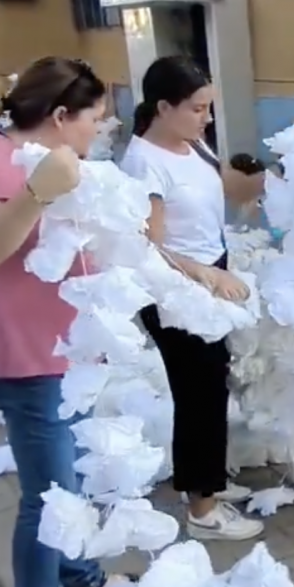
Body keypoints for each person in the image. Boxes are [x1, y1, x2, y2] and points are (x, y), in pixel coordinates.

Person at [0, 57, 133, 587]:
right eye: (93, 120)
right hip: (26, 362)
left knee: (67, 482)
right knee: (47, 498)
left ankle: (79, 577)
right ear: (58, 116)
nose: (97, 131)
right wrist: (36, 193)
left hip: (63, 357)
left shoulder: (56, 162)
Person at [120, 55, 266, 542]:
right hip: (176, 292)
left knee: (212, 386)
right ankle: (202, 512)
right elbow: (147, 246)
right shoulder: (143, 163)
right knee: (197, 393)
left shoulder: (194, 146)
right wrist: (203, 272)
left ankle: (209, 482)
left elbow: (225, 187)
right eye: (198, 109)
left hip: (209, 277)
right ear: (164, 107)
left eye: (209, 108)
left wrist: (264, 177)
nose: (207, 119)